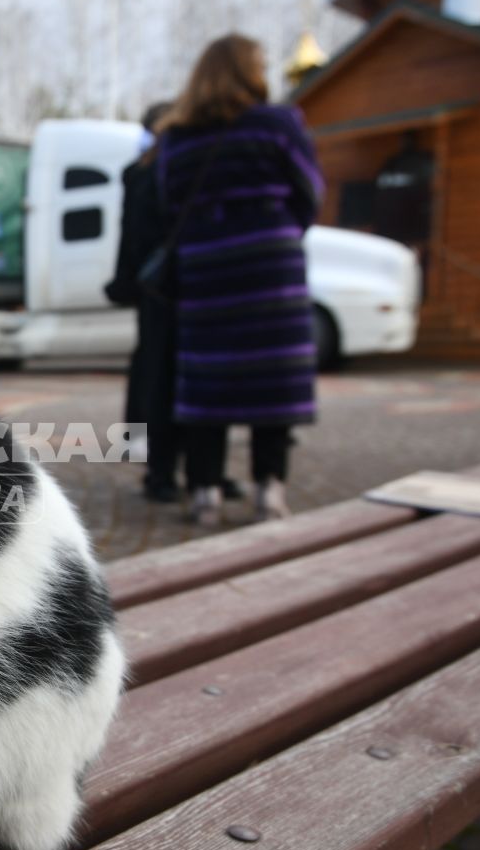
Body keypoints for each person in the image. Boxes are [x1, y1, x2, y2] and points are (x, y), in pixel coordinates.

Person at [155, 34, 323, 527]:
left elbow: (168, 206)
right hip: (270, 270)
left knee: (209, 384)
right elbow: (310, 190)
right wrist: (275, 227)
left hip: (206, 271)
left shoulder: (177, 139)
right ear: (250, 70)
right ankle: (269, 490)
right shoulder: (278, 124)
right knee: (273, 385)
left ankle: (204, 491)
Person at [105, 102, 183, 502]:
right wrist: (129, 280)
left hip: (170, 284)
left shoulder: (148, 169)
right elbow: (132, 235)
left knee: (160, 373)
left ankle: (185, 468)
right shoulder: (143, 173)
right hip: (162, 286)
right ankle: (159, 469)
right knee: (158, 375)